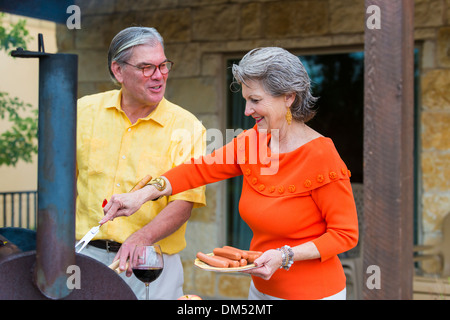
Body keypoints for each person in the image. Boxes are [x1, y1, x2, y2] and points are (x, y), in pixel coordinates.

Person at [101, 47, 359, 300]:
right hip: (260, 290)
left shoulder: (322, 156)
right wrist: (143, 195)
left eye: (255, 100)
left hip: (314, 294)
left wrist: (284, 256)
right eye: (246, 100)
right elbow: (198, 169)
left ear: (289, 97)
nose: (247, 110)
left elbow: (345, 235)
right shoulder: (252, 142)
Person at [76, 26, 206, 300]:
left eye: (162, 65)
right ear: (118, 71)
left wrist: (142, 238)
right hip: (84, 259)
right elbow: (63, 184)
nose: (158, 76)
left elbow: (183, 204)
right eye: (146, 67)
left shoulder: (188, 126)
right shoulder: (83, 111)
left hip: (151, 263)